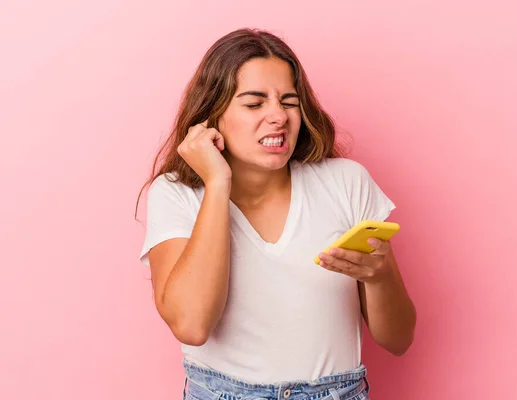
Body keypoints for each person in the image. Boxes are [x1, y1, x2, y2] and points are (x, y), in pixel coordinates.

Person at [137, 28, 416, 400]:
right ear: (212, 115)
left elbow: (398, 340)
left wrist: (380, 279)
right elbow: (192, 325)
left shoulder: (346, 182)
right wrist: (217, 183)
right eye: (254, 104)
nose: (278, 116)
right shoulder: (176, 193)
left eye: (289, 101)